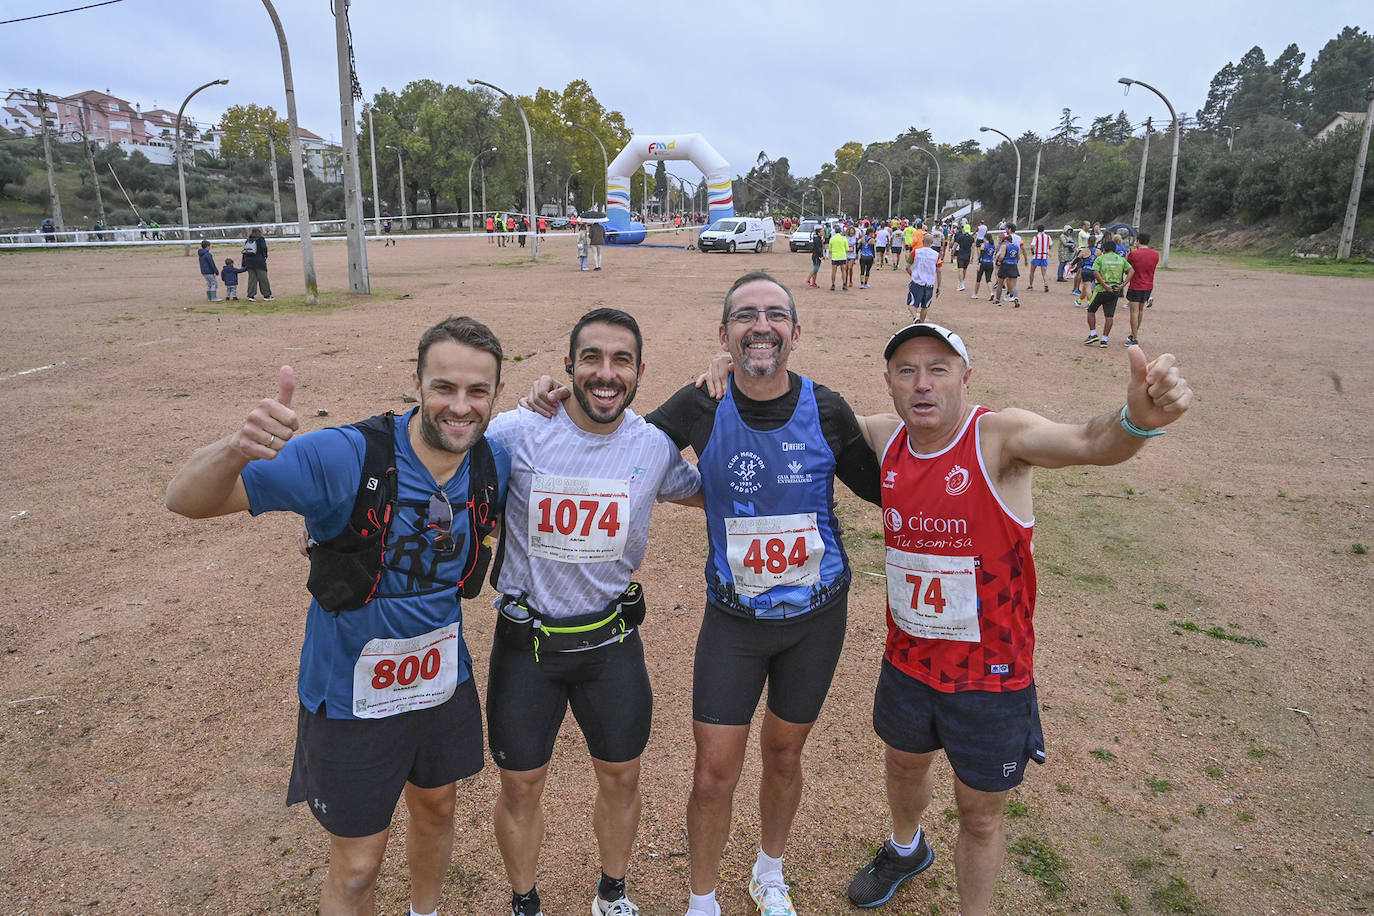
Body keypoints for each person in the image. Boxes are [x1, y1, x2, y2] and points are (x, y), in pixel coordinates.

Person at [165, 316, 512, 916]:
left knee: (437, 810)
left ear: (496, 394)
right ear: (417, 382)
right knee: (356, 869)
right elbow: (184, 499)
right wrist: (237, 447)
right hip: (352, 698)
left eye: (477, 391)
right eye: (444, 387)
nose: (461, 406)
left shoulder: (493, 463)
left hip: (440, 682)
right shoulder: (343, 456)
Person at [844, 322, 1192, 915]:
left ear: (965, 377)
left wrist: (1135, 421)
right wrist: (731, 371)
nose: (922, 384)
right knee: (902, 764)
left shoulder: (999, 438)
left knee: (980, 816)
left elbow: (1090, 441)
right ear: (889, 382)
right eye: (907, 371)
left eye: (938, 369)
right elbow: (795, 414)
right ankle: (905, 849)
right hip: (907, 660)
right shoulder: (884, 436)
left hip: (991, 677)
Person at [484, 308, 702, 916]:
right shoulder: (517, 432)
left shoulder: (652, 446)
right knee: (520, 786)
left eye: (621, 360)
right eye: (592, 359)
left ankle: (612, 892)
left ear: (638, 373)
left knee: (622, 777)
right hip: (527, 644)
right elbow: (441, 465)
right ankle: (525, 901)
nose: (606, 373)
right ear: (568, 367)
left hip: (609, 643)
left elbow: (719, 494)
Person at [1084, 233, 1130, 348]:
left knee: (1091, 310)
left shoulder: (1100, 258)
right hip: (1115, 290)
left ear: (1104, 249)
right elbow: (1131, 270)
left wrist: (1104, 285)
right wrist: (1123, 284)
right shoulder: (1121, 259)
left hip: (1101, 289)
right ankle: (1104, 340)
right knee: (1109, 316)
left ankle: (1093, 334)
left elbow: (1095, 272)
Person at [1124, 231, 1160, 346]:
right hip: (1148, 285)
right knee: (1140, 311)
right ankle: (1133, 334)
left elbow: (1127, 268)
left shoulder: (1134, 254)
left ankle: (1134, 338)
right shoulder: (1155, 254)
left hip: (1136, 285)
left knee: (1133, 312)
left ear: (1138, 241)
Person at [905, 234, 941, 324]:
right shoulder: (937, 255)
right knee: (925, 307)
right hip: (929, 284)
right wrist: (938, 287)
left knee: (911, 304)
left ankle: (915, 318)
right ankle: (921, 323)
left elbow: (907, 267)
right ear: (932, 242)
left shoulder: (915, 252)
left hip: (917, 282)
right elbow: (939, 271)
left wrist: (913, 275)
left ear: (922, 241)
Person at [993, 225, 1025, 307]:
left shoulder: (1005, 246)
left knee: (1000, 284)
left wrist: (999, 262)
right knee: (1014, 284)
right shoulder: (1016, 247)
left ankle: (997, 300)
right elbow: (1018, 257)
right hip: (1013, 265)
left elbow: (1002, 256)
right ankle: (1016, 298)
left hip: (1005, 265)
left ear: (1006, 240)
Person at [241, 227, 274, 302]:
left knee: (252, 280)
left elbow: (244, 253)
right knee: (263, 279)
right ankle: (266, 295)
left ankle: (251, 296)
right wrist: (265, 257)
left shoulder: (248, 240)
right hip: (259, 262)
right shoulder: (261, 239)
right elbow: (264, 249)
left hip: (249, 263)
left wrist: (244, 264)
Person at [970, 234, 996, 301]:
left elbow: (981, 256)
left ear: (985, 238)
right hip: (990, 263)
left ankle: (975, 294)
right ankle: (991, 293)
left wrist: (979, 263)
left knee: (978, 279)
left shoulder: (983, 245)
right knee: (988, 279)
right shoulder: (993, 246)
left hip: (983, 263)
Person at [951, 223, 975, 292]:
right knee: (965, 270)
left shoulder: (960, 237)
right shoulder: (972, 238)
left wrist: (953, 253)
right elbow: (973, 248)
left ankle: (961, 284)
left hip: (961, 254)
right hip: (968, 255)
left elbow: (955, 245)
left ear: (964, 229)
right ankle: (961, 283)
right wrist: (972, 258)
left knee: (960, 270)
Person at [1028, 225, 1052, 292]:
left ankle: (1030, 285)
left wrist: (1033, 252)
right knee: (1044, 272)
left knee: (1032, 272)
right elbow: (1050, 245)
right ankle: (1046, 283)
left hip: (1037, 256)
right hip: (1044, 256)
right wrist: (1047, 250)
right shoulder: (1048, 237)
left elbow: (1032, 246)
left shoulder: (1036, 237)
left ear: (1037, 230)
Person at [828, 222, 849, 290]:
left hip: (835, 256)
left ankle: (833, 284)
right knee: (843, 270)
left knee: (834, 271)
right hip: (842, 256)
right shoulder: (844, 238)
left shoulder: (832, 239)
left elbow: (830, 249)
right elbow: (847, 249)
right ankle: (844, 284)